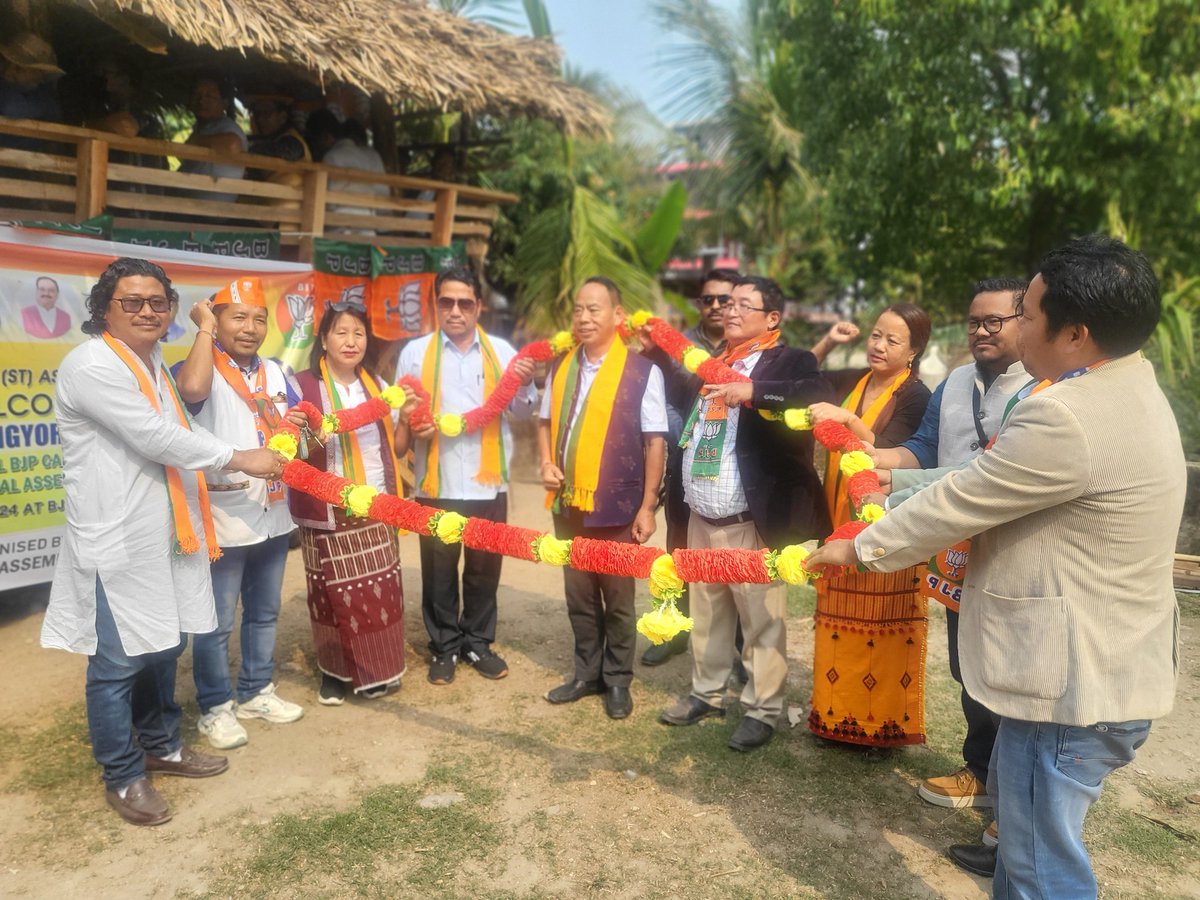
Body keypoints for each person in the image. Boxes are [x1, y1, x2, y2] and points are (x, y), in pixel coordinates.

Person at [807, 234, 1184, 897]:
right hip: (1096, 670)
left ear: (1076, 333)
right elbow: (960, 473)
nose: (1013, 329)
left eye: (1028, 316)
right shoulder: (1129, 385)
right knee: (1025, 855)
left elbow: (967, 496)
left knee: (1042, 872)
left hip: (1068, 688)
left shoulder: (1067, 413)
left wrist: (859, 548)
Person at [39, 257, 283, 826]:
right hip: (116, 535)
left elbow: (180, 427)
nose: (148, 311)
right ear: (104, 309)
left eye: (158, 302)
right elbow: (151, 435)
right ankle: (123, 774)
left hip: (167, 529)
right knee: (119, 659)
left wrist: (224, 463)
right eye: (132, 302)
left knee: (164, 645)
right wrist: (238, 456)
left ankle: (162, 745)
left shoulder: (150, 362)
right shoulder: (91, 365)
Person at [867, 278, 1028, 823]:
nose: (981, 331)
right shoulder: (956, 381)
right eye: (974, 321)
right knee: (967, 667)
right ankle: (980, 772)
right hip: (957, 552)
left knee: (1007, 673)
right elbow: (923, 449)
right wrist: (870, 455)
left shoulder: (1044, 389)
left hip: (1013, 555)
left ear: (1025, 321)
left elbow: (980, 474)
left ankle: (1011, 794)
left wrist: (893, 490)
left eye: (995, 321)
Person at [655, 275, 833, 751]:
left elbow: (815, 396)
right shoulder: (712, 366)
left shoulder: (791, 361)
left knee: (761, 621)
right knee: (708, 613)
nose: (730, 311)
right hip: (701, 515)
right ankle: (707, 693)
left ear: (771, 318)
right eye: (728, 303)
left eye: (743, 305)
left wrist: (752, 392)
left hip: (750, 521)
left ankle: (763, 708)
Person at [172, 277, 305, 750]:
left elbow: (296, 432)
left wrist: (302, 429)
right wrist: (203, 329)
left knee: (265, 612)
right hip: (222, 518)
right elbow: (190, 392)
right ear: (217, 318)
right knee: (217, 619)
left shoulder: (275, 371)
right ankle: (215, 707)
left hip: (271, 512)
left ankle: (254, 691)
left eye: (259, 318)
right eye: (237, 316)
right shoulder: (196, 364)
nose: (250, 328)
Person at [394, 265, 538, 685]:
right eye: (446, 302)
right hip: (434, 482)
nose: (455, 311)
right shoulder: (414, 353)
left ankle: (477, 641)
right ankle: (444, 647)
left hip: (486, 480)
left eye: (464, 303)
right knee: (438, 570)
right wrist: (412, 421)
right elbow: (402, 412)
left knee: (483, 567)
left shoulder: (502, 351)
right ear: (436, 305)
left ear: (478, 307)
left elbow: (523, 411)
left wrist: (526, 386)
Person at [538, 276, 668, 719]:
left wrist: (648, 506)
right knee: (578, 595)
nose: (584, 317)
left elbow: (655, 442)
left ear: (617, 317)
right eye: (578, 309)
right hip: (569, 505)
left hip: (617, 506)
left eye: (594, 309)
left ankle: (617, 680)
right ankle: (585, 674)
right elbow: (543, 423)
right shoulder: (561, 367)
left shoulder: (642, 371)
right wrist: (544, 463)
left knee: (617, 599)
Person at [806, 303, 932, 747]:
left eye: (891, 340)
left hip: (884, 528)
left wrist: (850, 422)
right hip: (839, 518)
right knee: (836, 624)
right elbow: (806, 378)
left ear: (914, 351)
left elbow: (898, 455)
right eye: (875, 335)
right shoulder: (854, 380)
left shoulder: (915, 396)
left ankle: (879, 731)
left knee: (881, 627)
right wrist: (829, 342)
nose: (877, 346)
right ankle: (832, 718)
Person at [290, 299, 411, 705]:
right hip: (326, 508)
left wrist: (409, 420)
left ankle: (380, 669)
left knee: (377, 590)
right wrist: (313, 433)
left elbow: (392, 446)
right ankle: (334, 674)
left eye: (358, 332)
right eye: (341, 332)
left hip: (376, 505)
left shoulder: (377, 385)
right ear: (323, 339)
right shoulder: (302, 387)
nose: (350, 340)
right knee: (328, 594)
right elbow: (291, 450)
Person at [641, 267, 738, 667]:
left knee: (733, 559)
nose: (715, 306)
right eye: (708, 299)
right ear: (699, 304)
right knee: (677, 547)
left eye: (725, 300)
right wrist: (648, 348)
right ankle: (672, 628)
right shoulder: (677, 346)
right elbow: (653, 390)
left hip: (731, 470)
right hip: (684, 462)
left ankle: (735, 645)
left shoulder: (744, 348)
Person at [306, 111, 388, 234]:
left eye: (317, 142)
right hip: (367, 221)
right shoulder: (364, 156)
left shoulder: (331, 157)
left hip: (341, 225)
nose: (318, 147)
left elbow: (327, 199)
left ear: (326, 137)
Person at [179, 76, 248, 202]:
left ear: (224, 102)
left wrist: (195, 141)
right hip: (188, 207)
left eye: (209, 96)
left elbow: (232, 145)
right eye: (197, 95)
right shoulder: (203, 128)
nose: (201, 100)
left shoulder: (227, 126)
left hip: (208, 212)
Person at [247, 95, 310, 166]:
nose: (259, 119)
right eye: (257, 113)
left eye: (266, 113)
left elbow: (290, 151)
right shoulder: (272, 138)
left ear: (282, 117)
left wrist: (249, 150)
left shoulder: (293, 140)